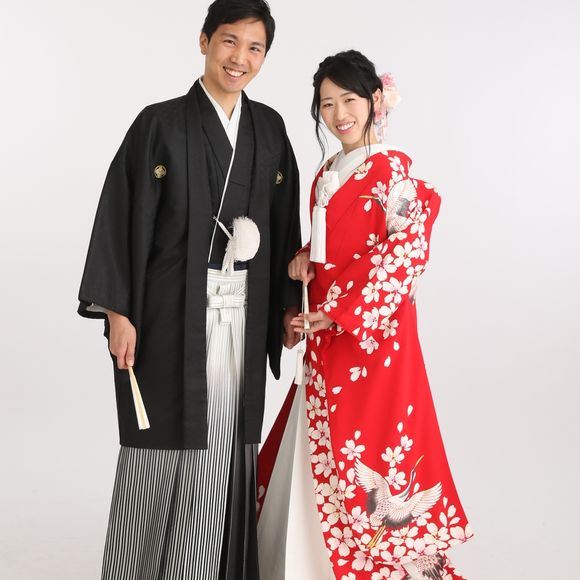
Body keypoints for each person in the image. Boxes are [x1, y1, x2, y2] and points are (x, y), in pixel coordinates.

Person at [77, 1, 302, 578]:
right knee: (159, 440)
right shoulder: (159, 123)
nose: (240, 58)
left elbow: (283, 228)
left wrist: (287, 306)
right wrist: (118, 311)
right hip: (167, 316)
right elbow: (121, 214)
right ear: (204, 41)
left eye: (254, 48)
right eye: (229, 41)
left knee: (226, 440)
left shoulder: (269, 129)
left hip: (243, 316)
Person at [257, 50, 472, 580]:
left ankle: (370, 561)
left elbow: (405, 253)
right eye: (327, 104)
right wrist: (306, 258)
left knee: (374, 448)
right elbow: (339, 246)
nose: (338, 114)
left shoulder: (391, 171)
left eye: (348, 100)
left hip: (374, 340)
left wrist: (341, 313)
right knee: (322, 438)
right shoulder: (327, 172)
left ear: (376, 100)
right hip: (327, 337)